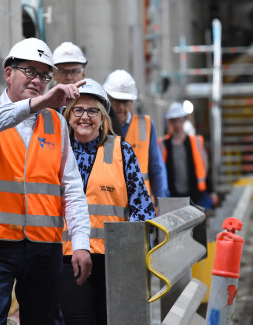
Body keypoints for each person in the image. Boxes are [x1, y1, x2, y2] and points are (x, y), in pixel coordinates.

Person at [0, 38, 92, 325]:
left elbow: (70, 188)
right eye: (29, 71)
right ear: (8, 73)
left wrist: (81, 241)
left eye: (44, 75)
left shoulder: (56, 123)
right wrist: (39, 104)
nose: (38, 80)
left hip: (43, 248)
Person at [58, 78, 156, 325]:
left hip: (113, 261)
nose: (85, 117)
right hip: (68, 257)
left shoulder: (121, 151)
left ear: (103, 119)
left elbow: (142, 209)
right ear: (68, 116)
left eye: (93, 111)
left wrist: (129, 251)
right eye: (78, 110)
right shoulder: (56, 152)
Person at [103, 70, 169, 206]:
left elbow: (156, 167)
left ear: (132, 102)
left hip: (141, 204)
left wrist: (161, 204)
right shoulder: (99, 127)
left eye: (125, 102)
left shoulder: (145, 125)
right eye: (116, 101)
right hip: (109, 204)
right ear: (107, 100)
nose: (121, 107)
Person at [158, 102, 218, 209]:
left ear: (184, 121)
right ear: (169, 123)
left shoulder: (195, 142)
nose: (177, 125)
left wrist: (211, 191)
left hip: (195, 195)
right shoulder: (163, 144)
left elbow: (204, 168)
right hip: (172, 196)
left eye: (179, 121)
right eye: (174, 121)